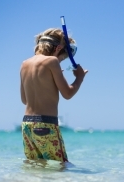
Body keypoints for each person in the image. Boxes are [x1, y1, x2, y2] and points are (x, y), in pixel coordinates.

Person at [20, 28, 88, 163]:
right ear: (57, 49)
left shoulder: (24, 64)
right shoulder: (52, 61)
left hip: (27, 125)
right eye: (62, 58)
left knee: (35, 166)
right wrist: (79, 77)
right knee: (61, 165)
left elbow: (24, 100)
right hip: (45, 125)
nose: (60, 61)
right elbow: (67, 94)